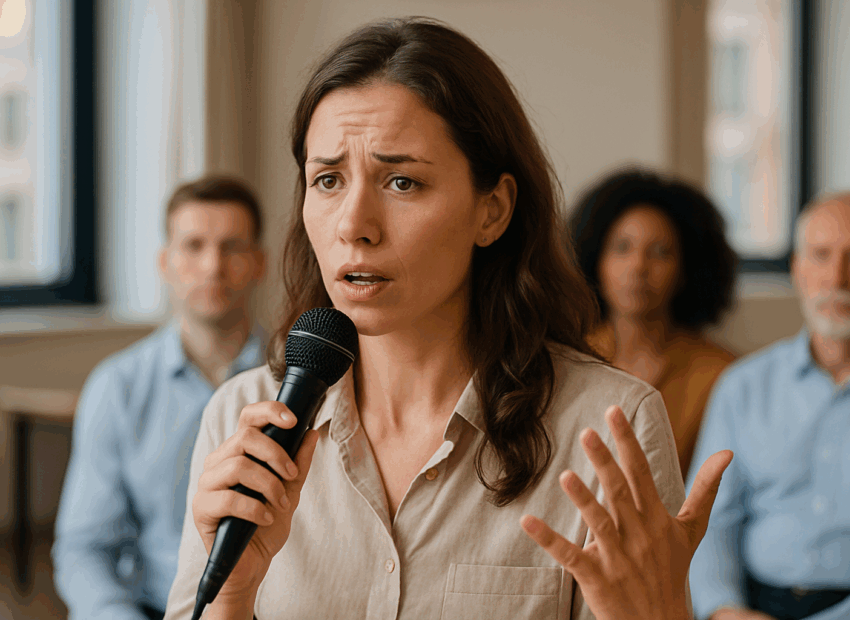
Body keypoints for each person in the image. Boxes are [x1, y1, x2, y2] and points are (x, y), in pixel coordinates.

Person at [163, 18, 731, 620]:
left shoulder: (609, 428)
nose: (354, 224)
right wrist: (231, 594)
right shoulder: (240, 417)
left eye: (402, 181)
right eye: (327, 179)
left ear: (494, 210)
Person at [688, 192, 850, 620]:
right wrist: (724, 610)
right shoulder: (743, 385)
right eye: (820, 256)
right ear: (798, 270)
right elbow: (709, 524)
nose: (836, 278)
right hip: (753, 608)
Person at [53, 175, 268, 620]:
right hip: (152, 608)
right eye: (193, 246)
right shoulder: (118, 387)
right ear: (164, 262)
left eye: (232, 247)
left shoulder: (301, 383)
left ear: (259, 262)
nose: (212, 266)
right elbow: (84, 547)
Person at [571, 169, 738, 477]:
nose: (638, 267)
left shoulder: (721, 375)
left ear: (687, 268)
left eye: (660, 252)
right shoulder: (568, 359)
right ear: (595, 259)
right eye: (622, 248)